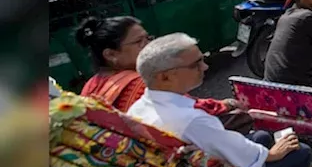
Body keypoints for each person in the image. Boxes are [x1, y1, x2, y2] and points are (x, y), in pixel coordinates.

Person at [128, 34, 312, 167]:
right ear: (165, 77)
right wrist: (272, 154)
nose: (205, 67)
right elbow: (228, 146)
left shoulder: (138, 107)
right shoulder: (190, 120)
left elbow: (226, 143)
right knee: (300, 152)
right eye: (196, 64)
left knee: (261, 136)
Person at [77, 16, 246, 125]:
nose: (149, 45)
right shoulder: (143, 82)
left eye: (148, 38)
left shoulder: (91, 85)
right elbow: (193, 108)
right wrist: (227, 104)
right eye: (139, 42)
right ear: (111, 54)